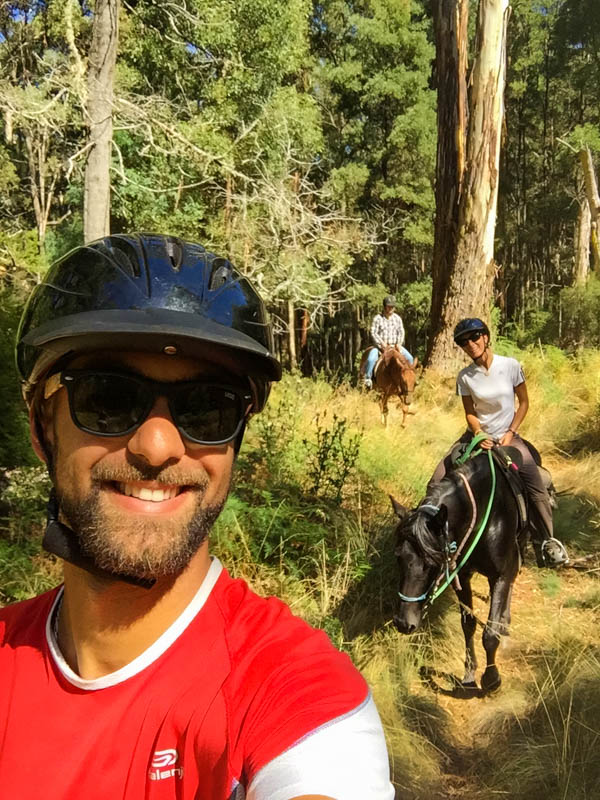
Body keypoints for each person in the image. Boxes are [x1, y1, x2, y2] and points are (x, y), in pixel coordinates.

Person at [1, 234, 394, 799]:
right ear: (42, 425)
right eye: (107, 398)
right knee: (374, 359)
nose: (158, 446)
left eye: (207, 408)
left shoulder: (294, 693)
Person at [427, 317, 568, 567]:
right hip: (477, 437)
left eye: (474, 337)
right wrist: (479, 433)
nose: (470, 344)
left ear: (485, 336)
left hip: (508, 436)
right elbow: (470, 412)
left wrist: (511, 432)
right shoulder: (465, 377)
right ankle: (430, 542)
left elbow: (523, 403)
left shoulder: (510, 366)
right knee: (436, 480)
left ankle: (547, 541)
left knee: (535, 482)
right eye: (463, 342)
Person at [363, 295, 413, 389]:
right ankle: (368, 379)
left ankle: (410, 380)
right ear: (384, 307)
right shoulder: (378, 318)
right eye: (389, 306)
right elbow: (373, 332)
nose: (390, 308)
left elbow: (401, 332)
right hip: (380, 347)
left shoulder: (397, 318)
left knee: (410, 358)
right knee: (370, 359)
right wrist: (381, 343)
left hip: (395, 345)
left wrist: (399, 343)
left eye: (392, 306)